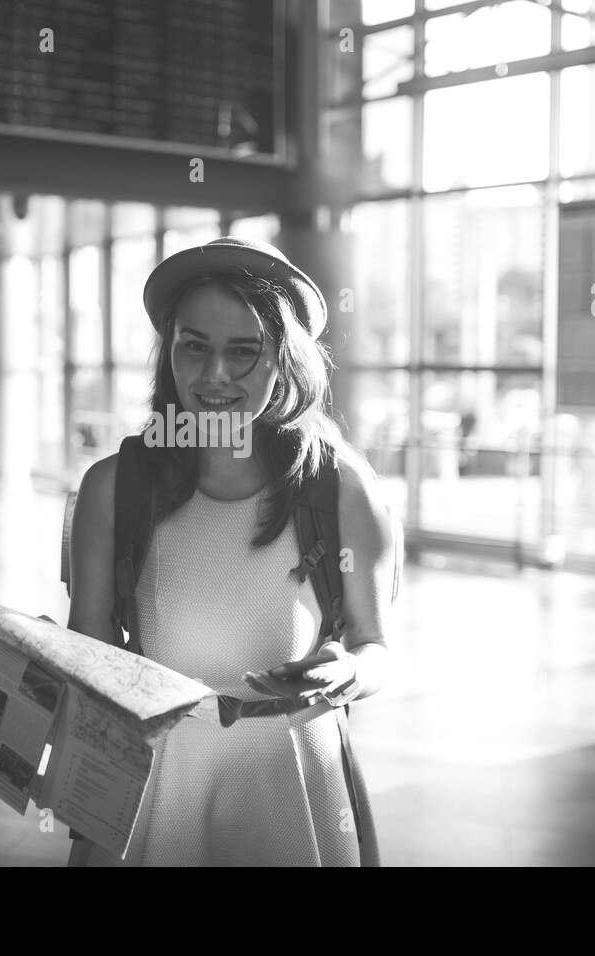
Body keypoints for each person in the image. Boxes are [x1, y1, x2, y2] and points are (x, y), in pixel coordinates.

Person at [65, 237, 399, 867]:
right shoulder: (114, 487)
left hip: (297, 774)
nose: (214, 376)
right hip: (160, 777)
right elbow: (92, 656)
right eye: (195, 346)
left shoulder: (340, 486)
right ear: (171, 354)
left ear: (286, 361)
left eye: (243, 353)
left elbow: (376, 647)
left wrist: (345, 673)